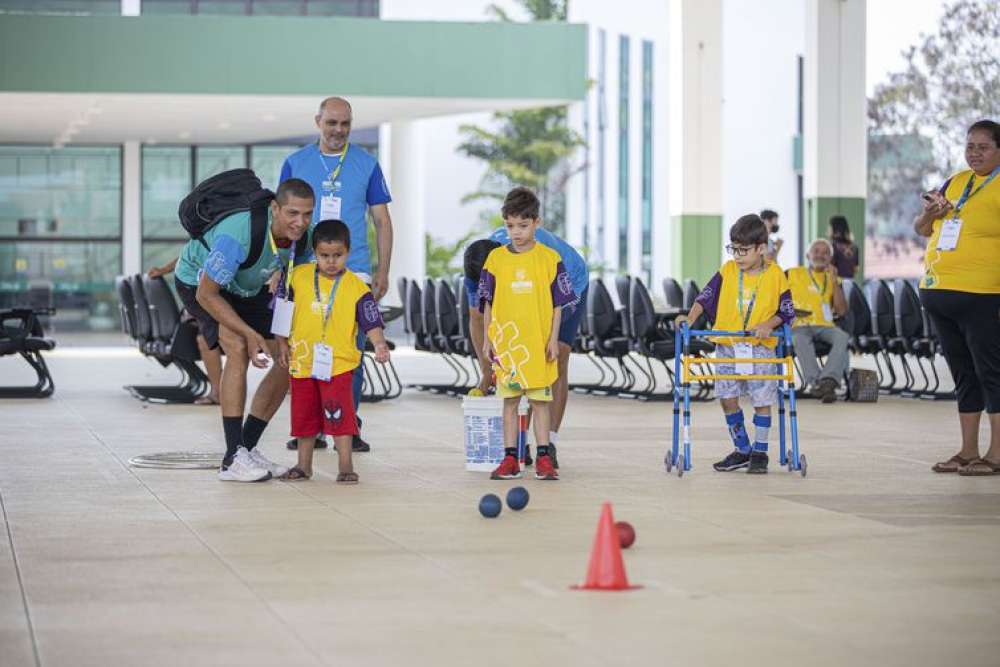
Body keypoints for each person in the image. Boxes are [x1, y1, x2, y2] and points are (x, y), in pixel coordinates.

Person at [174, 178, 315, 482]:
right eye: (292, 213)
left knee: (286, 357)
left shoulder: (304, 239)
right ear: (275, 209)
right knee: (237, 347)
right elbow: (206, 294)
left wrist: (281, 337)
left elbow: (291, 289)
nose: (300, 222)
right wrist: (251, 335)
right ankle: (231, 460)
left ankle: (246, 448)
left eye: (307, 214)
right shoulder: (239, 234)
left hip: (247, 289)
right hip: (200, 283)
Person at [279, 96, 393, 453]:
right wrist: (279, 269)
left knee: (350, 352)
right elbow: (282, 219)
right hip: (304, 271)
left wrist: (382, 270)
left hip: (353, 269)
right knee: (303, 351)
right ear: (318, 122)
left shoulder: (366, 163)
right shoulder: (295, 162)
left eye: (345, 123)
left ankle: (347, 425)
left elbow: (382, 220)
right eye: (332, 123)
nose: (338, 130)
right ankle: (307, 428)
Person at [677, 214, 795, 474]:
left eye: (743, 250)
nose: (737, 256)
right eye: (734, 249)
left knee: (761, 398)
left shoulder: (775, 275)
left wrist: (768, 325)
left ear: (761, 248)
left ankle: (760, 452)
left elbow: (787, 312)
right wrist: (690, 316)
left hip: (760, 348)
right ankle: (742, 449)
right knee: (727, 398)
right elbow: (705, 298)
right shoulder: (727, 270)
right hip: (728, 345)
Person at [463, 223, 588, 466]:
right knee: (518, 367)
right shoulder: (478, 267)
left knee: (553, 359)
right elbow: (477, 319)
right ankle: (521, 443)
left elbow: (546, 310)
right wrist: (487, 371)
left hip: (568, 282)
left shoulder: (534, 259)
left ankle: (548, 443)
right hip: (521, 291)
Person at [916, 119, 1000, 476]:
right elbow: (921, 230)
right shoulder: (956, 181)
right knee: (963, 374)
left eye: (982, 147)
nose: (974, 153)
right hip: (939, 290)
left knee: (990, 372)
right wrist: (930, 213)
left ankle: (996, 455)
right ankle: (968, 451)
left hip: (983, 293)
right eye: (970, 147)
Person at [276, 220, 390, 483]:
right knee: (304, 417)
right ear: (314, 252)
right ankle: (303, 466)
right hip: (303, 362)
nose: (330, 262)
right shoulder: (298, 277)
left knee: (339, 415)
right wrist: (281, 343)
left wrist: (380, 344)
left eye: (337, 256)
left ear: (348, 252)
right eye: (324, 255)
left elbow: (370, 321)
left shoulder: (357, 288)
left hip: (337, 365)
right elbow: (283, 310)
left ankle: (346, 466)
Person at [479, 187, 575, 481]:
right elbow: (487, 304)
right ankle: (510, 458)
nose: (516, 232)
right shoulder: (495, 260)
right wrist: (487, 338)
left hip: (538, 345)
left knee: (539, 401)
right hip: (508, 347)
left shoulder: (549, 259)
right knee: (509, 402)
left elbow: (558, 303)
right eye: (510, 226)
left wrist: (553, 340)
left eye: (523, 225)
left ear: (537, 223)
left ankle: (544, 457)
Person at [148, 258, 222, 405]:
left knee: (204, 339)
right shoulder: (198, 242)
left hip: (219, 298)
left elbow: (189, 257)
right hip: (201, 302)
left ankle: (218, 392)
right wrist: (163, 270)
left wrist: (164, 270)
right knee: (193, 335)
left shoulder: (216, 238)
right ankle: (217, 391)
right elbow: (187, 256)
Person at [787, 239, 850, 403]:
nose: (820, 255)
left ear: (830, 258)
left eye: (825, 252)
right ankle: (816, 383)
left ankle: (827, 381)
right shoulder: (792, 273)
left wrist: (835, 281)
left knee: (842, 336)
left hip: (825, 325)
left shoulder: (834, 278)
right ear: (808, 255)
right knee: (799, 338)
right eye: (816, 251)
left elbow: (842, 310)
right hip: (799, 324)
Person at [828, 215, 859, 279]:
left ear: (835, 229)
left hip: (836, 284)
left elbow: (829, 268)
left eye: (830, 227)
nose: (828, 229)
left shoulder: (832, 246)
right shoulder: (854, 247)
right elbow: (856, 269)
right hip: (849, 284)